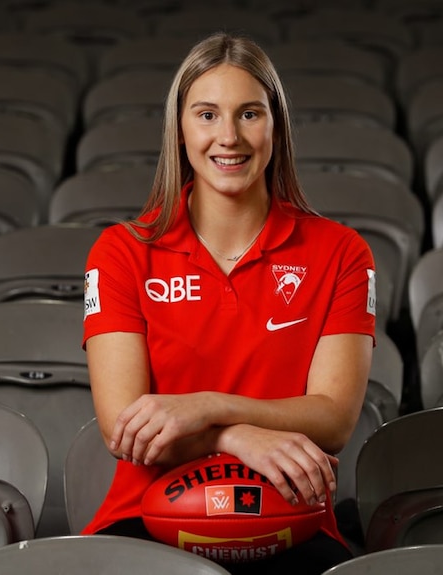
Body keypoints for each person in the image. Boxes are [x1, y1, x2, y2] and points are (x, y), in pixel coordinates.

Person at [81, 32, 376, 575]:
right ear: (180, 129)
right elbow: (124, 429)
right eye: (207, 115)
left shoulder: (342, 252)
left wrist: (207, 406)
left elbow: (333, 419)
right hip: (145, 519)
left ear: (276, 126)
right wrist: (237, 437)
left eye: (250, 114)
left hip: (291, 517)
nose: (230, 137)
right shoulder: (122, 251)